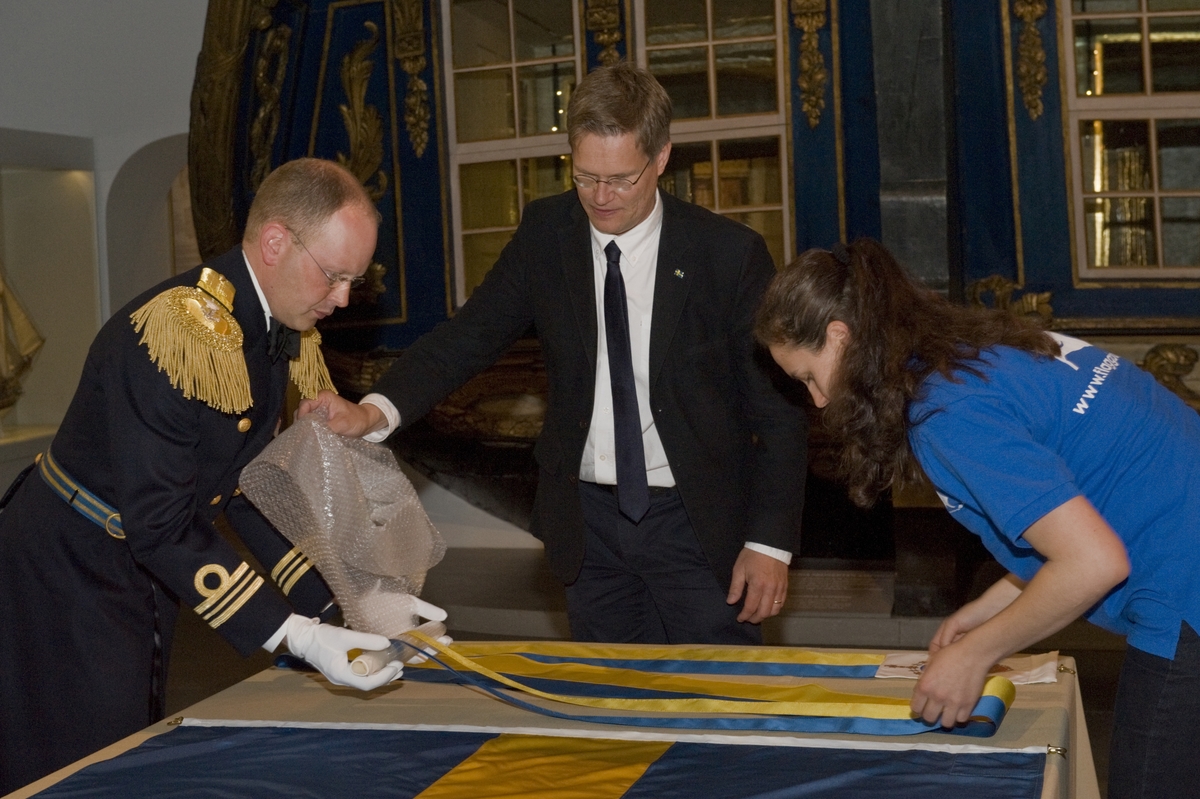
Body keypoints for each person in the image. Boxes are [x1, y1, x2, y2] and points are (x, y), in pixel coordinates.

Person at [301, 61, 808, 645]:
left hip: (696, 525)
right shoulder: (548, 233)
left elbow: (777, 411)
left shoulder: (728, 256)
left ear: (662, 158)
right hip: (588, 530)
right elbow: (469, 335)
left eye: (620, 179)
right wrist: (373, 411)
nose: (600, 197)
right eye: (584, 175)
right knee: (606, 710)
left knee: (719, 707)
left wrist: (769, 542)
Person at [0, 158, 435, 794]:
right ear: (276, 242)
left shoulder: (266, 331)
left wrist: (350, 601)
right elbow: (165, 524)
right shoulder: (180, 333)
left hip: (138, 562)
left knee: (125, 742)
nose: (342, 298)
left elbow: (245, 490)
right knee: (69, 764)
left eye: (353, 281)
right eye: (334, 275)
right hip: (63, 566)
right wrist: (298, 635)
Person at [755, 238, 1200, 798]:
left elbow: (1092, 561)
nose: (817, 401)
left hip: (1185, 591)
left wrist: (978, 652)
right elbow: (1080, 510)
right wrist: (991, 607)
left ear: (841, 337)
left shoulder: (947, 412)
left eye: (807, 377)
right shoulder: (974, 352)